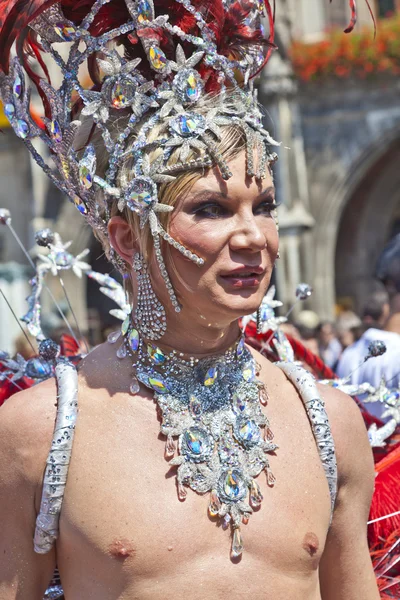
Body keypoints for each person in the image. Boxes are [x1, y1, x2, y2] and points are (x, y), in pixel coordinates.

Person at [0, 1, 380, 599]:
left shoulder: (329, 422)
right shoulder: (41, 432)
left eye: (265, 207)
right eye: (212, 209)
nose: (254, 237)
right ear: (129, 238)